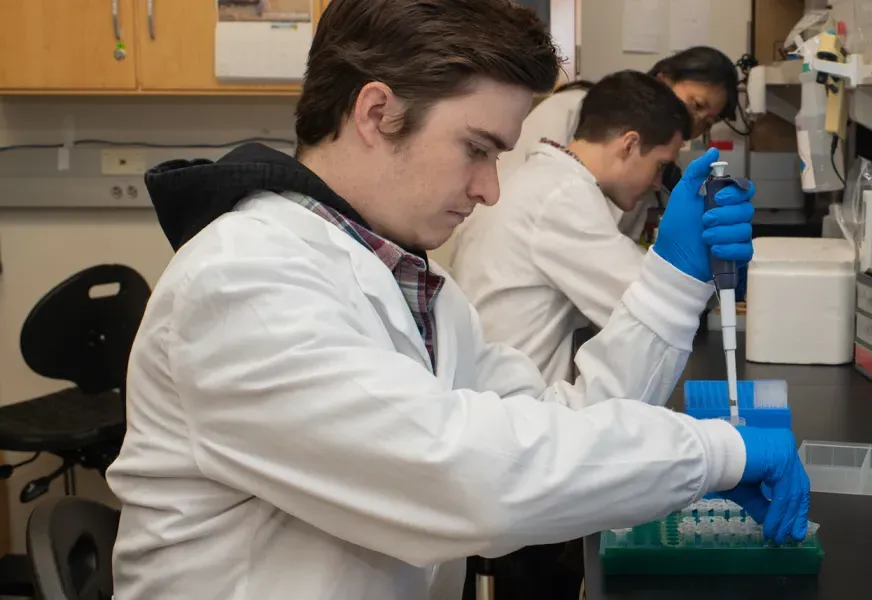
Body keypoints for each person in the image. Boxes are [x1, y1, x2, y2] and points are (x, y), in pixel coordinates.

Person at [105, 1, 810, 599]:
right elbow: (466, 478)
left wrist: (674, 277)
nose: (490, 189)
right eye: (477, 149)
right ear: (377, 112)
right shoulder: (240, 281)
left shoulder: (409, 282)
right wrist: (719, 452)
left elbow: (571, 423)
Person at [451, 70, 708, 384]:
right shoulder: (561, 196)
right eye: (660, 165)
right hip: (514, 410)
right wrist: (696, 261)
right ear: (629, 145)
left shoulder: (543, 178)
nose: (657, 182)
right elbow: (652, 305)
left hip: (494, 391)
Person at [484, 46, 739, 242]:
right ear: (662, 80)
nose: (695, 123)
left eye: (708, 121)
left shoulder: (658, 166)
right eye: (695, 105)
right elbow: (504, 201)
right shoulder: (572, 110)